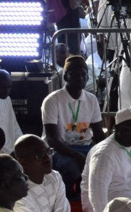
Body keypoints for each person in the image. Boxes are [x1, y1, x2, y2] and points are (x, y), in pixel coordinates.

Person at [41, 55, 106, 198]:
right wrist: (76, 155)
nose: (80, 78)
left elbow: (98, 133)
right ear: (66, 77)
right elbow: (52, 140)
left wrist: (107, 151)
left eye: (83, 75)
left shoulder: (91, 99)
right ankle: (69, 196)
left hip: (85, 146)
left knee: (105, 163)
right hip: (60, 149)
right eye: (75, 75)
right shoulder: (52, 100)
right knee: (71, 167)